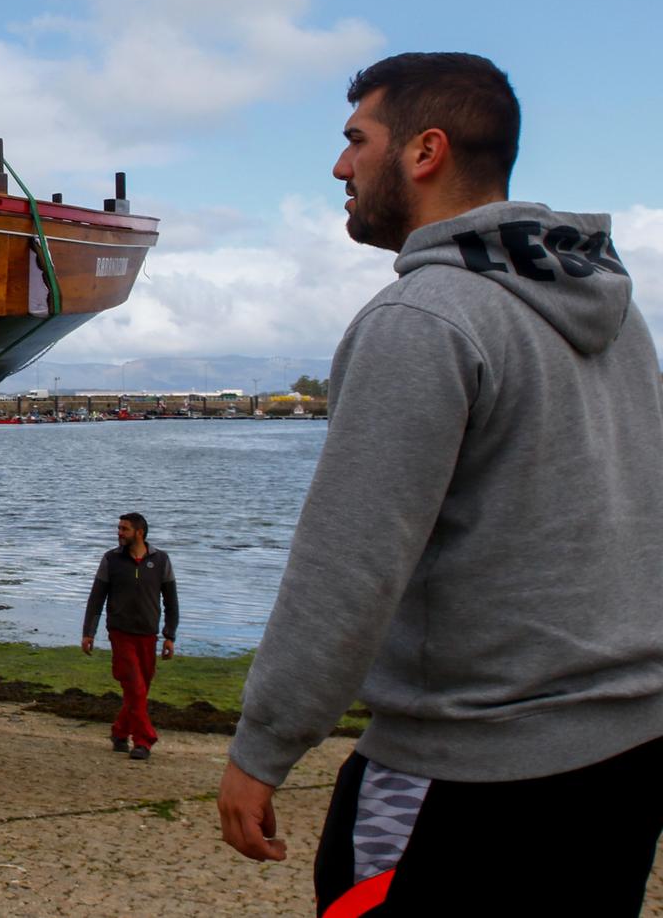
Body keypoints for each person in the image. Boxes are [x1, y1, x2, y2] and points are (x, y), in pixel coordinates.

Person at [217, 53, 663, 914]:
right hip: (631, 757)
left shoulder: (421, 318)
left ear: (425, 151)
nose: (340, 166)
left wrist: (263, 746)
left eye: (356, 140)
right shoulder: (617, 308)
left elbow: (348, 566)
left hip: (471, 768)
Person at [81, 512, 179, 760]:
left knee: (140, 689)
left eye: (124, 529)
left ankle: (120, 732)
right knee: (134, 687)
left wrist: (170, 636)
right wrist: (88, 633)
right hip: (120, 633)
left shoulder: (161, 561)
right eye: (119, 528)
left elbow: (171, 602)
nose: (119, 533)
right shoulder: (111, 559)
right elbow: (96, 599)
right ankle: (144, 740)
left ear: (139, 532)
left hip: (148, 634)